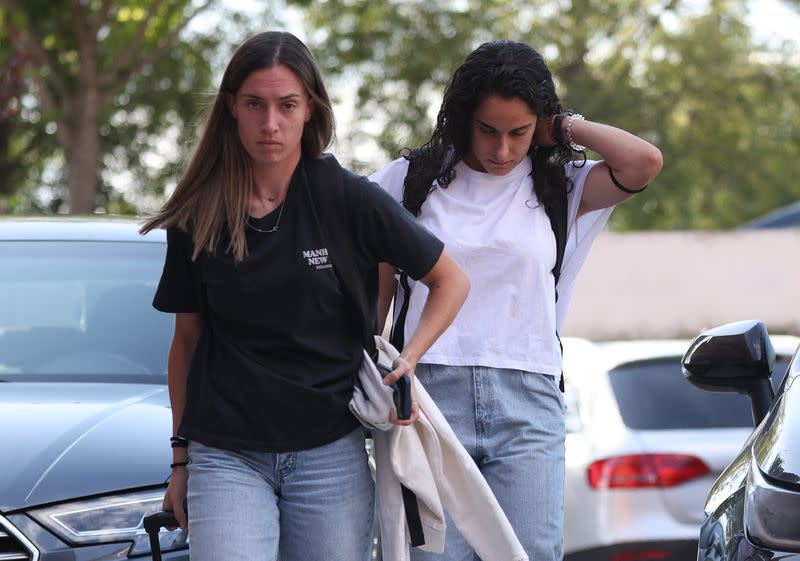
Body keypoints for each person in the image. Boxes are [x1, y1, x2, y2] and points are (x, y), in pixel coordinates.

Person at [140, 31, 469, 561]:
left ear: (310, 110)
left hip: (329, 453)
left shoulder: (348, 198)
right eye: (254, 104)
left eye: (286, 105)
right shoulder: (200, 213)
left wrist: (409, 358)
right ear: (231, 109)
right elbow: (186, 343)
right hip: (226, 454)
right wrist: (180, 462)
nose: (270, 123)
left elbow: (451, 280)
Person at [370, 40, 663, 561]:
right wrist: (371, 368)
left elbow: (643, 163)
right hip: (429, 393)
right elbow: (376, 283)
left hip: (529, 398)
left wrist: (564, 126)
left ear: (539, 125)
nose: (502, 150)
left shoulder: (560, 184)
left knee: (531, 554)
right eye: (488, 130)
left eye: (519, 132)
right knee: (434, 556)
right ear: (463, 118)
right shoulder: (410, 180)